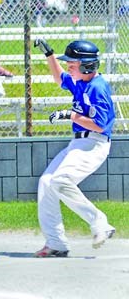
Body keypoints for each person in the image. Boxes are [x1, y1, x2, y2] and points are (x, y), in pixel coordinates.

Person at [33, 38, 116, 257]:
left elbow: (100, 124)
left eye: (73, 63)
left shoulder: (98, 88)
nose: (69, 66)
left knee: (60, 180)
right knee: (47, 182)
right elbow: (59, 78)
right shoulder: (79, 81)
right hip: (79, 142)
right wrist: (49, 54)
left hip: (94, 143)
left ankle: (100, 223)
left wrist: (70, 115)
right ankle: (56, 243)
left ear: (87, 65)